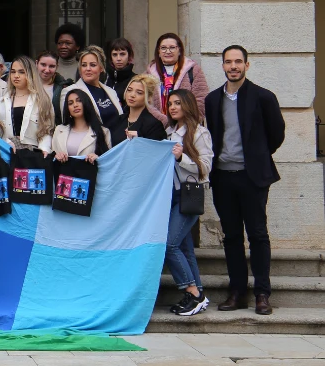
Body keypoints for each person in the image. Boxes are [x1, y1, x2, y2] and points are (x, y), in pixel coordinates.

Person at [204, 45, 285, 316]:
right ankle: (237, 292)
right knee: (232, 237)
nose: (234, 66)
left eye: (238, 61)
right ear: (223, 66)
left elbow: (276, 135)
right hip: (223, 177)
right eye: (229, 62)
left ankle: (262, 293)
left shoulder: (263, 97)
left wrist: (256, 156)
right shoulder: (213, 99)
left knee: (258, 235)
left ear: (247, 65)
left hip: (252, 178)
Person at [165, 88, 214, 317]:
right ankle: (197, 295)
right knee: (185, 248)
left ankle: (194, 293)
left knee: (169, 245)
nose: (173, 107)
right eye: (170, 104)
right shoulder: (168, 132)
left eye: (177, 103)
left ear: (187, 105)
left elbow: (205, 168)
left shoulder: (199, 133)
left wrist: (181, 157)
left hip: (189, 194)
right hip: (170, 196)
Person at [61, 46, 124, 145]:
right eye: (84, 65)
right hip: (91, 147)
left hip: (117, 145)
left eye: (93, 65)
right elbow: (68, 122)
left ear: (101, 68)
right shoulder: (69, 91)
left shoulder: (111, 91)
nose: (88, 69)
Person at [147, 32, 210, 126]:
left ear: (179, 50)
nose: (168, 51)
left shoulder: (193, 70)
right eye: (163, 48)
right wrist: (163, 122)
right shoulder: (148, 74)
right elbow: (145, 103)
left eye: (172, 47)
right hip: (156, 128)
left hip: (186, 127)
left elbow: (201, 99)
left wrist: (183, 123)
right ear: (158, 52)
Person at [0, 56, 52, 153]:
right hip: (7, 153)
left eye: (21, 72)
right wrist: (6, 143)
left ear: (30, 74)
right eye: (13, 72)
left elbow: (47, 130)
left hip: (34, 154)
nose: (16, 76)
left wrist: (44, 149)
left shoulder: (42, 100)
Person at [52, 89, 112, 163]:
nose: (75, 105)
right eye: (70, 103)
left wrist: (98, 159)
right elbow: (52, 157)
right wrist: (56, 156)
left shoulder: (104, 132)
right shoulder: (59, 130)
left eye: (79, 100)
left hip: (90, 173)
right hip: (63, 173)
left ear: (86, 103)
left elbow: (108, 162)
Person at [120, 74, 165, 142]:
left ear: (149, 97)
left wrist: (139, 139)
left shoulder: (154, 125)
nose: (132, 95)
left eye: (139, 93)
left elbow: (156, 150)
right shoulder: (118, 120)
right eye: (129, 90)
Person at [36, 51, 70, 124]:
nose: (47, 70)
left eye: (51, 66)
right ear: (36, 63)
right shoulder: (26, 86)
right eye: (43, 65)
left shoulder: (63, 88)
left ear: (57, 67)